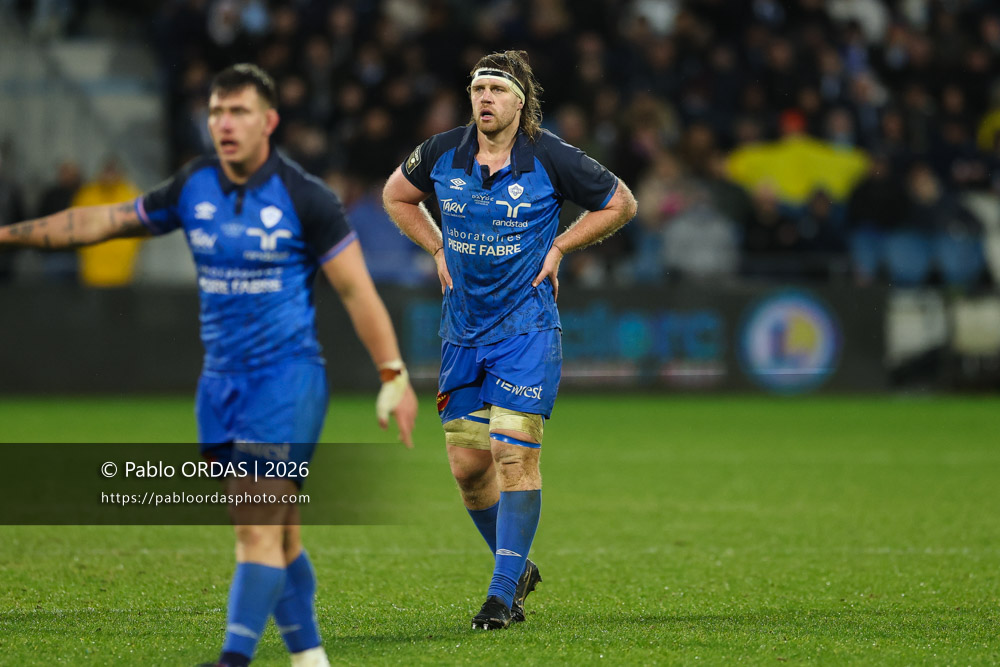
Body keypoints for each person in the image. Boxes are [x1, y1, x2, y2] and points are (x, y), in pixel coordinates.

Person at [0, 63, 418, 667]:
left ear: (269, 121)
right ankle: (311, 659)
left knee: (254, 525)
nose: (224, 123)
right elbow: (102, 222)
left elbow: (356, 292)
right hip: (220, 385)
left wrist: (392, 374)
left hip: (288, 379)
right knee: (280, 533)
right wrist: (8, 235)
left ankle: (233, 658)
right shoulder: (192, 184)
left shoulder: (306, 198)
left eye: (239, 112)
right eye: (217, 112)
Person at [382, 50, 636, 630]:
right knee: (469, 468)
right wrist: (437, 246)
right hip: (462, 331)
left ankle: (501, 594)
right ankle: (517, 567)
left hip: (525, 330)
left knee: (513, 453)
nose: (485, 98)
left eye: (497, 89)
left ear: (521, 101)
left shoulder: (551, 156)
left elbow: (621, 201)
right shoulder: (444, 150)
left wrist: (562, 246)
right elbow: (396, 195)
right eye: (478, 89)